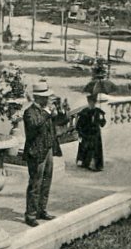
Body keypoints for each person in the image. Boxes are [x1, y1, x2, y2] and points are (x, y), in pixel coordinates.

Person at [22, 81, 68, 227]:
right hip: (35, 152)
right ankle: (30, 215)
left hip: (48, 149)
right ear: (37, 98)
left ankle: (42, 210)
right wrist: (47, 112)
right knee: (35, 183)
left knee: (46, 181)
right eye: (45, 97)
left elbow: (63, 121)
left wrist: (60, 110)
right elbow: (35, 125)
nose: (47, 99)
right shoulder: (29, 112)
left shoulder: (45, 111)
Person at [75, 94, 107, 171]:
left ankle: (95, 165)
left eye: (93, 102)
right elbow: (79, 124)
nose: (92, 104)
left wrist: (102, 119)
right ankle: (85, 162)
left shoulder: (98, 112)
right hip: (87, 133)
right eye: (90, 102)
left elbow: (102, 124)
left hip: (96, 133)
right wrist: (81, 132)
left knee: (95, 148)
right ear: (88, 102)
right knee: (86, 147)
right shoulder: (84, 112)